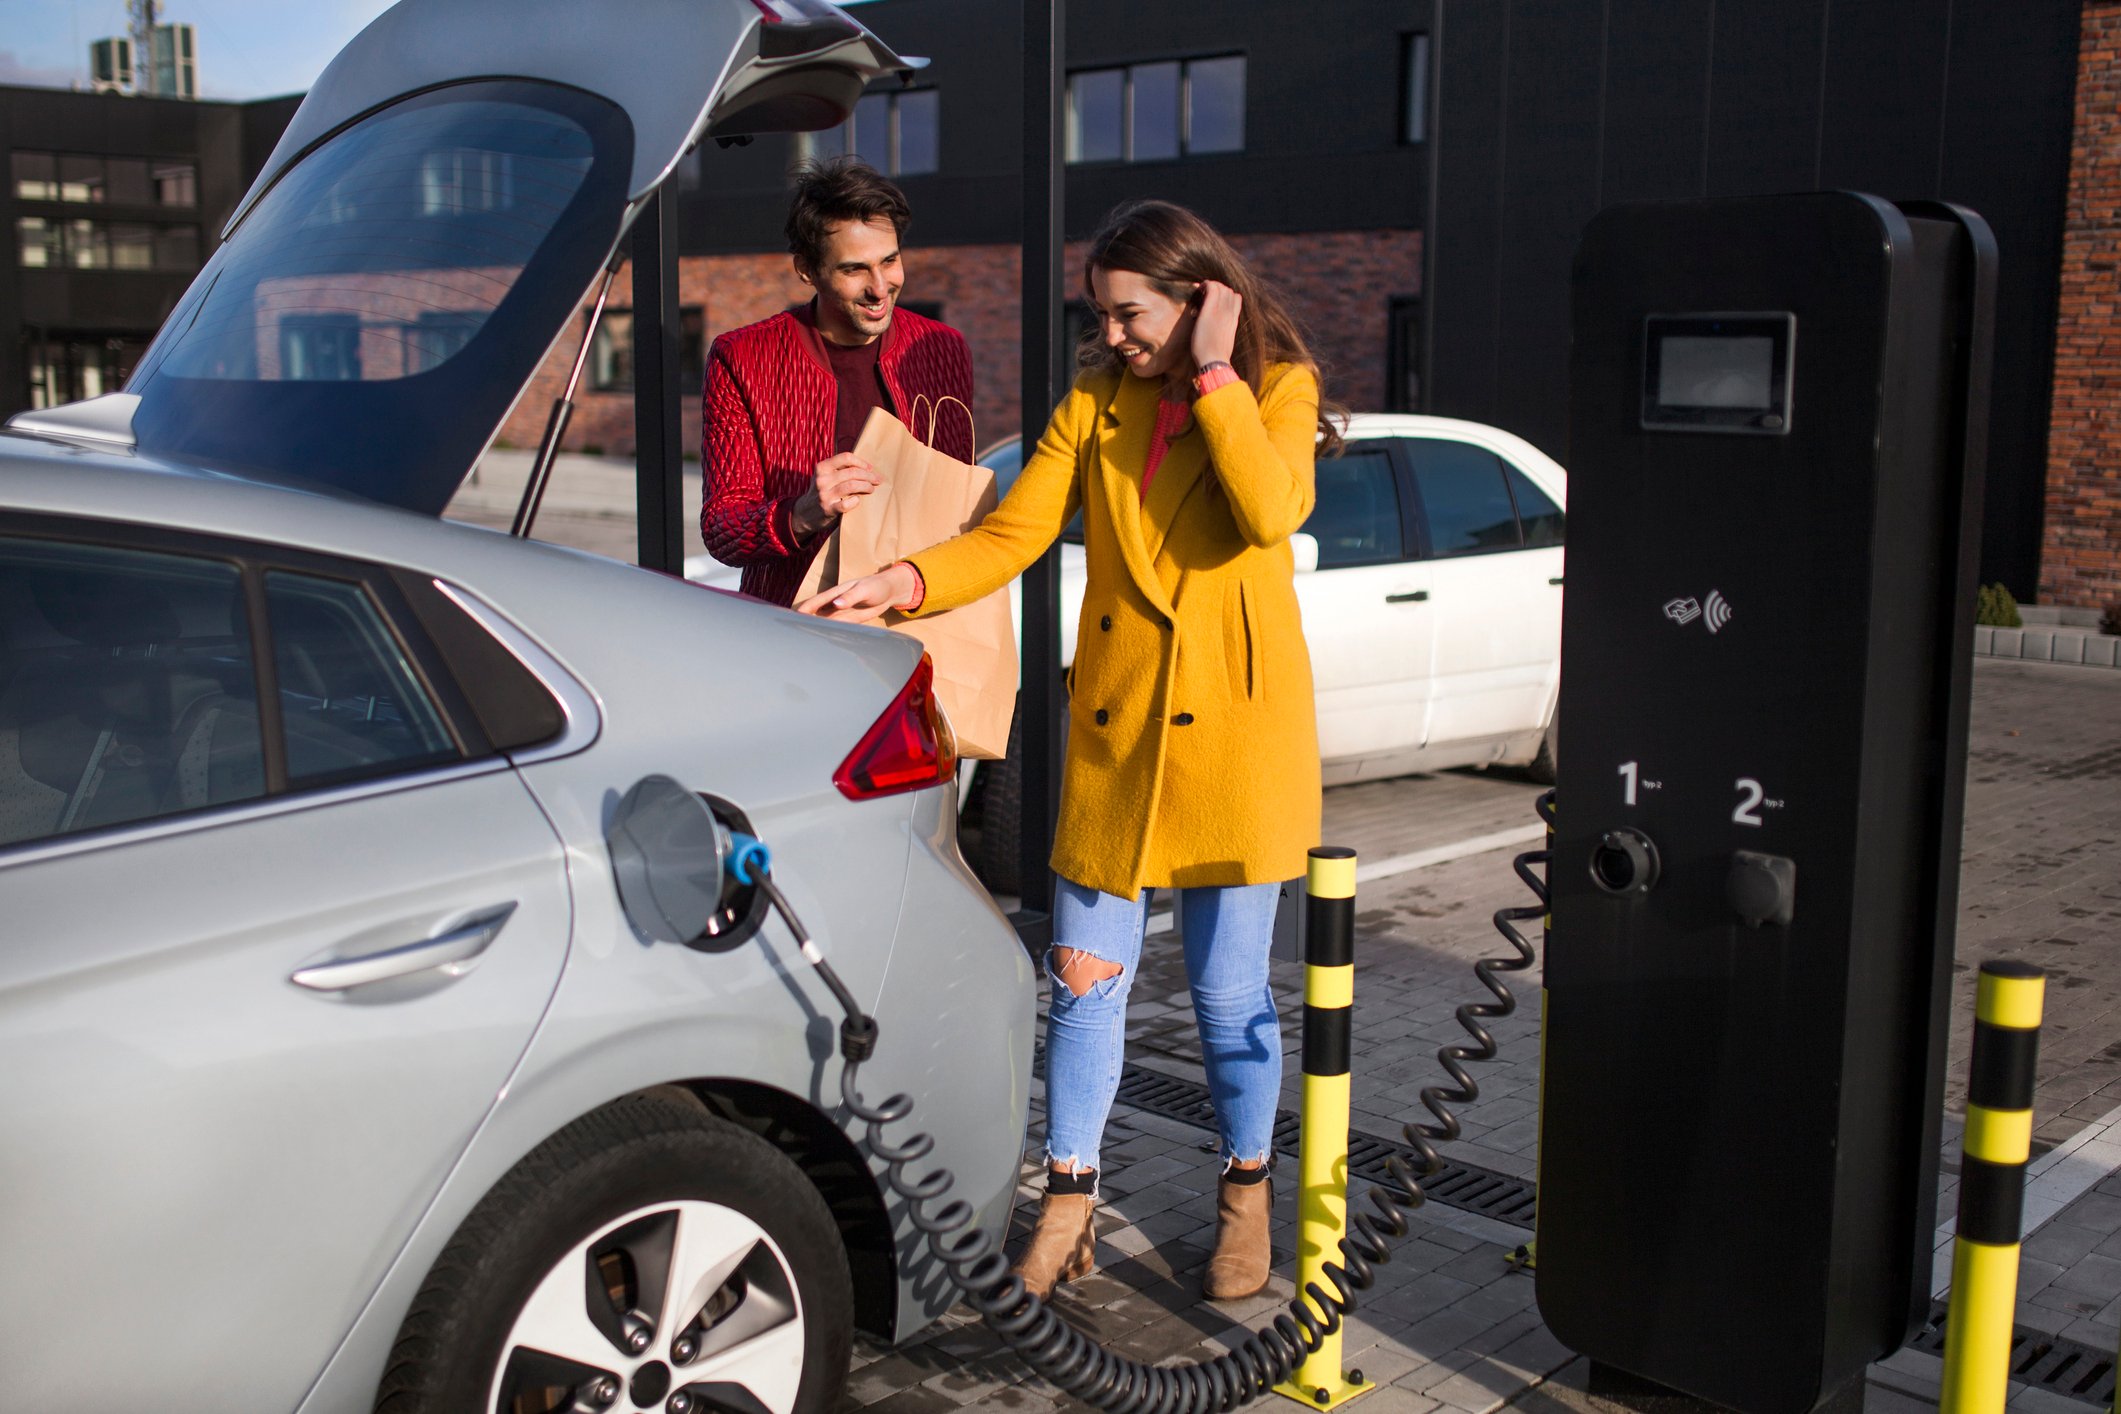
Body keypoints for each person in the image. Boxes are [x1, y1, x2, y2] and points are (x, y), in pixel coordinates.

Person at [799, 199, 1336, 1303]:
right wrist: (905, 582)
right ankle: (1070, 1201)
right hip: (1119, 739)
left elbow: (1271, 510)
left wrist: (1220, 376)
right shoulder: (1096, 398)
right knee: (1083, 985)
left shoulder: (1279, 390)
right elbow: (1015, 528)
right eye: (1106, 315)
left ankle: (1246, 1194)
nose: (1118, 335)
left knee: (1233, 1000)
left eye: (1133, 314)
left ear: (1202, 299)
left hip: (1240, 744)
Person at [700, 157, 974, 605]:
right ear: (808, 269)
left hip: (917, 619)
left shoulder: (941, 348)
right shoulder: (744, 358)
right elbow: (722, 529)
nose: (880, 286)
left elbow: (957, 503)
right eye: (854, 269)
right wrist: (804, 513)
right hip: (796, 624)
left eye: (890, 260)